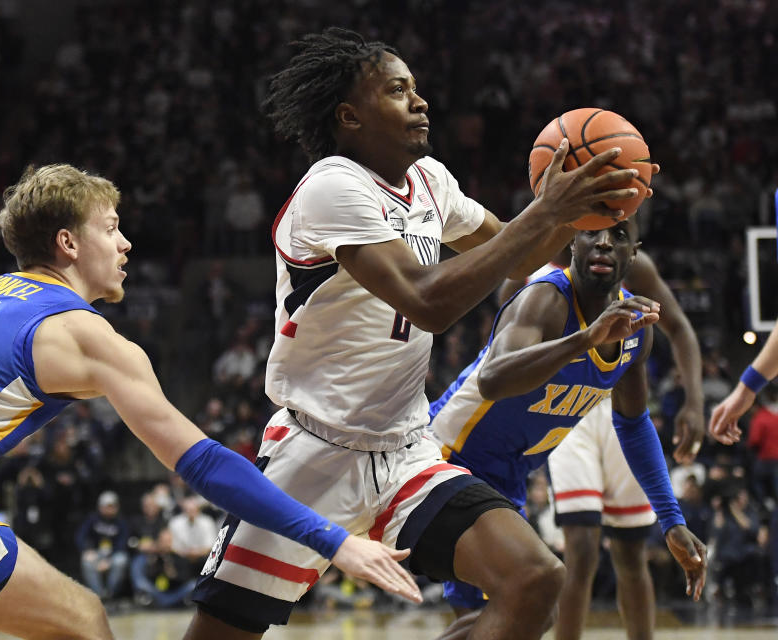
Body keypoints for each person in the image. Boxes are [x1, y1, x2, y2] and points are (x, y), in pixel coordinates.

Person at [0, 163, 421, 640]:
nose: (126, 243)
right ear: (68, 243)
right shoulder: (86, 334)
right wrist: (334, 539)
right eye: (110, 227)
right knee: (82, 619)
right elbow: (204, 464)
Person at [184, 27, 648, 640]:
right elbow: (427, 302)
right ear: (350, 116)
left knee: (535, 579)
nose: (420, 101)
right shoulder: (332, 186)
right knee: (219, 635)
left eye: (417, 88)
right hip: (315, 453)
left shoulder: (429, 181)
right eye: (398, 90)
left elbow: (513, 257)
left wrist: (592, 206)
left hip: (405, 450)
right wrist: (548, 212)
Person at [428, 218, 707, 640]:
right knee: (532, 595)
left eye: (618, 236)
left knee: (502, 618)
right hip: (449, 456)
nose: (603, 243)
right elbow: (493, 380)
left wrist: (671, 519)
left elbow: (633, 425)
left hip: (507, 473)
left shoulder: (635, 331)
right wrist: (584, 340)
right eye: (591, 233)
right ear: (570, 245)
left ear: (635, 254)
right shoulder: (543, 299)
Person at [710, 321, 778, 445]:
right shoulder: (764, 415)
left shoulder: (763, 417)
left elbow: (754, 441)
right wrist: (746, 389)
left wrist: (746, 389)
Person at [75, 490, 130, 602]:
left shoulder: (121, 521)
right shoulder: (92, 519)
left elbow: (123, 543)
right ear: (100, 506)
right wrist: (87, 550)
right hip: (96, 553)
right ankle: (98, 595)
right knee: (86, 561)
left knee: (121, 561)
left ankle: (110, 594)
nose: (110, 509)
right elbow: (80, 536)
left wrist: (108, 560)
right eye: (107, 506)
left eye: (112, 506)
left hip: (114, 554)